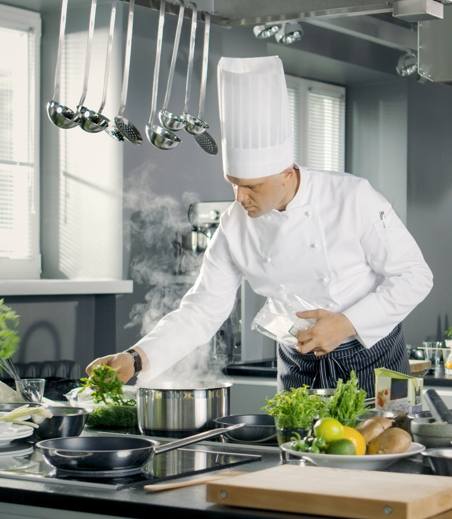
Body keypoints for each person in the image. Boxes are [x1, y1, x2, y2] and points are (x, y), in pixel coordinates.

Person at [87, 56, 433, 396]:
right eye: (233, 183)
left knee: (388, 450)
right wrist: (135, 358)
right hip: (299, 366)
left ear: (287, 173)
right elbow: (202, 309)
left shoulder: (353, 197)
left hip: (372, 359)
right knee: (295, 452)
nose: (240, 197)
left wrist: (345, 324)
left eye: (252, 186)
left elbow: (415, 277)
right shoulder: (234, 226)